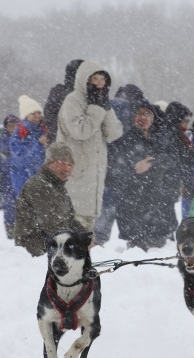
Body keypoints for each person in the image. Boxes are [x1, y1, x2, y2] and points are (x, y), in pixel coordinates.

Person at [56, 60, 123, 232]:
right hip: (76, 177)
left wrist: (105, 108)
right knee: (71, 235)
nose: (100, 83)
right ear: (84, 79)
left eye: (103, 79)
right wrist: (96, 108)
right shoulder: (73, 101)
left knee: (85, 238)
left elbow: (114, 133)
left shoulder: (100, 101)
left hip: (94, 180)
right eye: (95, 78)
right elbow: (81, 131)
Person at [111, 99, 173, 251]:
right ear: (133, 117)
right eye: (139, 114)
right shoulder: (123, 141)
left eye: (147, 114)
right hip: (134, 212)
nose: (143, 117)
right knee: (138, 260)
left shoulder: (159, 139)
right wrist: (134, 170)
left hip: (158, 213)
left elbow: (171, 163)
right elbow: (113, 176)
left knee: (159, 258)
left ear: (152, 119)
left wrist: (158, 164)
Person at [94, 84, 146, 245]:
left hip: (107, 172)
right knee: (133, 228)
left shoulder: (107, 108)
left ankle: (95, 245)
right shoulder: (130, 111)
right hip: (126, 176)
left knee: (101, 226)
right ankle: (134, 246)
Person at [14, 143, 86, 257]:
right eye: (62, 163)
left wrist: (87, 236)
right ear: (49, 164)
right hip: (35, 249)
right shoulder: (38, 186)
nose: (67, 168)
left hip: (53, 244)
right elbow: (52, 225)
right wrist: (77, 242)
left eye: (70, 164)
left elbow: (70, 220)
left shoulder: (58, 186)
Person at [159, 101, 193, 230]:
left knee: (170, 218)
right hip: (166, 185)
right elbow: (174, 162)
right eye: (185, 120)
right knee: (167, 218)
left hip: (171, 184)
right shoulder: (169, 137)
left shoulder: (178, 136)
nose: (187, 123)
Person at [9, 95, 48, 200]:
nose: (37, 116)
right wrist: (38, 144)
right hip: (24, 183)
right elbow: (20, 159)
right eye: (33, 113)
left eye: (39, 112)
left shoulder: (45, 129)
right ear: (26, 116)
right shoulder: (19, 134)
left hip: (42, 182)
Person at [0, 114, 19, 239]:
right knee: (9, 205)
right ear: (6, 127)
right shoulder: (1, 144)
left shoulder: (23, 140)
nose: (13, 128)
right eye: (10, 125)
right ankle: (10, 228)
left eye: (15, 125)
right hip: (7, 180)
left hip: (21, 178)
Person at [44, 59, 84, 145]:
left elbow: (48, 117)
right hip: (73, 143)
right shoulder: (82, 95)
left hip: (59, 142)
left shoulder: (57, 92)